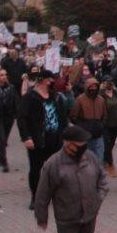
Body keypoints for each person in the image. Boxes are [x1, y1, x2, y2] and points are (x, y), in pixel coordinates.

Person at [17, 69, 68, 209]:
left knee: (55, 169)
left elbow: (63, 118)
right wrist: (26, 137)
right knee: (36, 169)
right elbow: (22, 118)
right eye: (50, 80)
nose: (52, 83)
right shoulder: (30, 97)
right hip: (38, 139)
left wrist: (66, 135)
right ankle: (36, 196)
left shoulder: (56, 97)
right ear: (43, 81)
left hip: (55, 138)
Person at [70, 78, 108, 164]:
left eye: (95, 87)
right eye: (91, 87)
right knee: (85, 159)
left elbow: (105, 115)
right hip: (85, 136)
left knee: (99, 159)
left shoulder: (101, 100)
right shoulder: (80, 99)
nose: (93, 89)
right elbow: (73, 117)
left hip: (98, 135)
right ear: (87, 87)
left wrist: (101, 125)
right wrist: (83, 126)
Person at [100, 80, 117, 177]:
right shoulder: (101, 95)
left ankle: (105, 159)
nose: (108, 84)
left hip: (116, 123)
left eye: (110, 82)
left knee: (111, 144)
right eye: (106, 82)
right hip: (106, 124)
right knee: (107, 144)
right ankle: (110, 165)